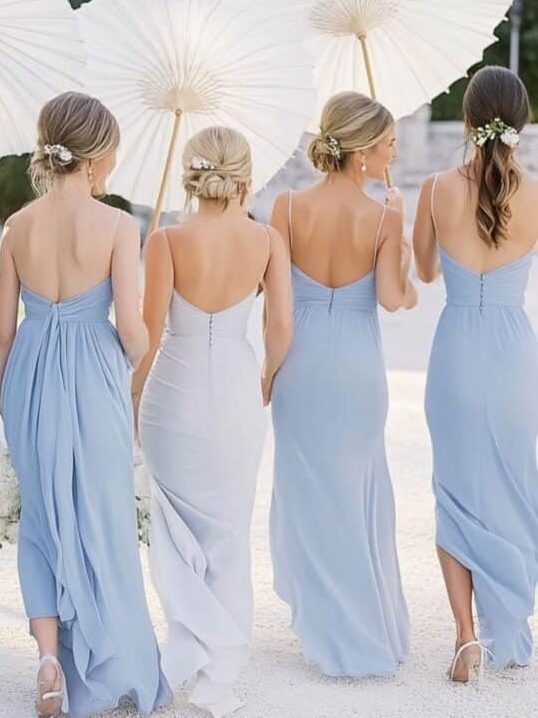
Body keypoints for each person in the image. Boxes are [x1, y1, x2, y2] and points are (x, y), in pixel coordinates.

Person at [0, 91, 168, 718]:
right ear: (96, 156)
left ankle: (48, 659)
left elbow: (4, 333)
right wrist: (149, 344)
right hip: (94, 378)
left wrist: (6, 406)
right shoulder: (120, 226)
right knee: (102, 516)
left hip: (31, 377)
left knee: (42, 520)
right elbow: (130, 329)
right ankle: (113, 662)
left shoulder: (18, 226)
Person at [135, 125, 292, 718]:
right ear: (245, 178)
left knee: (174, 531)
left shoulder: (165, 240)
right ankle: (220, 671)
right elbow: (280, 327)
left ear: (191, 176)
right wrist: (269, 376)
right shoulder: (268, 240)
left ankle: (187, 652)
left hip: (172, 394)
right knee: (228, 527)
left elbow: (148, 336)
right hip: (235, 390)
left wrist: (130, 400)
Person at [269, 90, 415, 678]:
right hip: (356, 365)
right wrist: (399, 250)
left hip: (301, 364)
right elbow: (391, 299)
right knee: (358, 495)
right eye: (387, 143)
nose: (394, 152)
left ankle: (325, 624)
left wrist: (267, 369)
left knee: (309, 497)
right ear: (360, 153)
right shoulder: (383, 214)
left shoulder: (285, 207)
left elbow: (274, 307)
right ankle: (365, 625)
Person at [413, 65, 538, 684]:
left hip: (457, 344)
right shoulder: (537, 192)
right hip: (514, 350)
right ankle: (510, 622)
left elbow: (426, 272)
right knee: (514, 487)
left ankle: (466, 638)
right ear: (521, 121)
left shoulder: (436, 187)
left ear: (467, 121)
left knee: (456, 492)